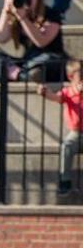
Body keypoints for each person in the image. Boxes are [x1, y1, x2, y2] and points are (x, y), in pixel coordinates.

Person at [0, 0, 67, 82]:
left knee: (46, 59)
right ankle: (22, 76)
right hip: (27, 62)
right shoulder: (16, 14)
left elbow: (41, 42)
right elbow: (2, 38)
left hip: (49, 61)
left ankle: (14, 74)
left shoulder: (51, 14)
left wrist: (23, 19)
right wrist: (6, 10)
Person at [38, 60, 83, 194]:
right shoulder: (67, 92)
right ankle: (65, 181)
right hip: (76, 132)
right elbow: (56, 97)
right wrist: (45, 93)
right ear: (70, 76)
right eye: (81, 74)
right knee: (66, 146)